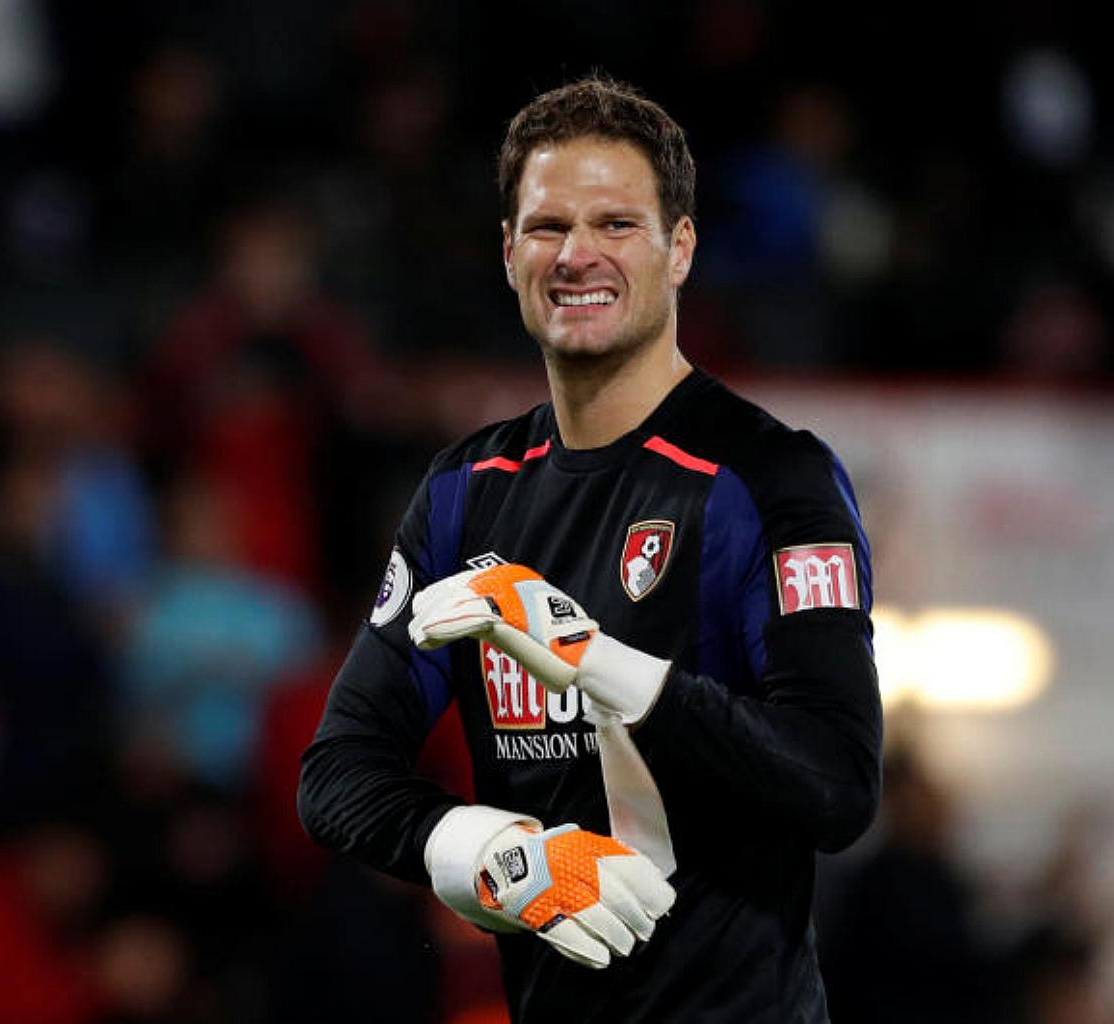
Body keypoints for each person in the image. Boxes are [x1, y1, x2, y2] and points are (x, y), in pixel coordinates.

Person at [297, 76, 882, 1022]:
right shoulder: (463, 494)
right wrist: (496, 856)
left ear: (679, 247)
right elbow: (337, 773)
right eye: (546, 227)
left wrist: (601, 666)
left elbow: (838, 784)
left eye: (616, 223)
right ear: (507, 251)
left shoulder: (772, 480)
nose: (577, 256)